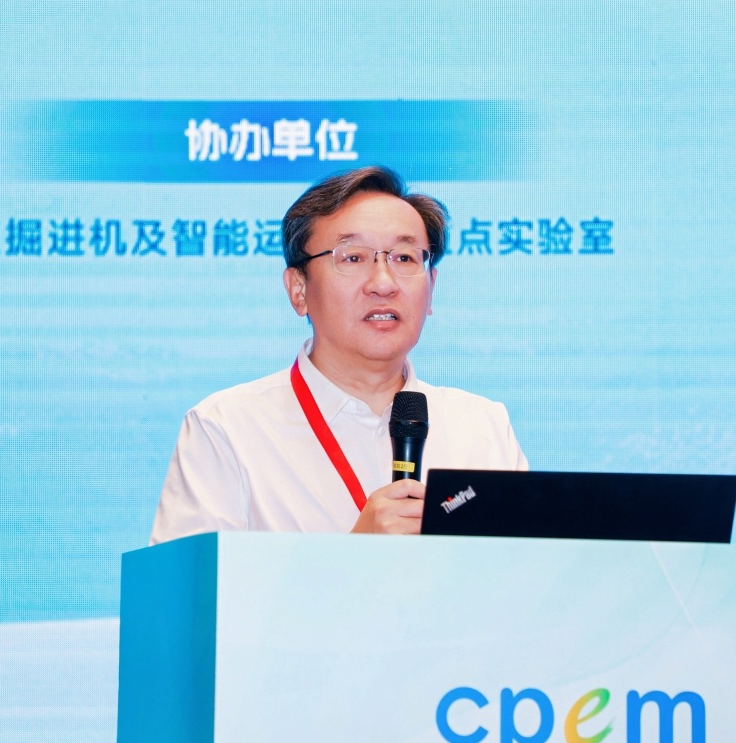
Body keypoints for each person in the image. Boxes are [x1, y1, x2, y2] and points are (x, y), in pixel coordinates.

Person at [149, 166, 527, 544]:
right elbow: (187, 583)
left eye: (404, 258)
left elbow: (526, 573)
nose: (383, 283)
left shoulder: (482, 427)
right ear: (299, 290)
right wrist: (354, 555)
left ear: (431, 286)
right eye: (352, 258)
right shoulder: (226, 429)